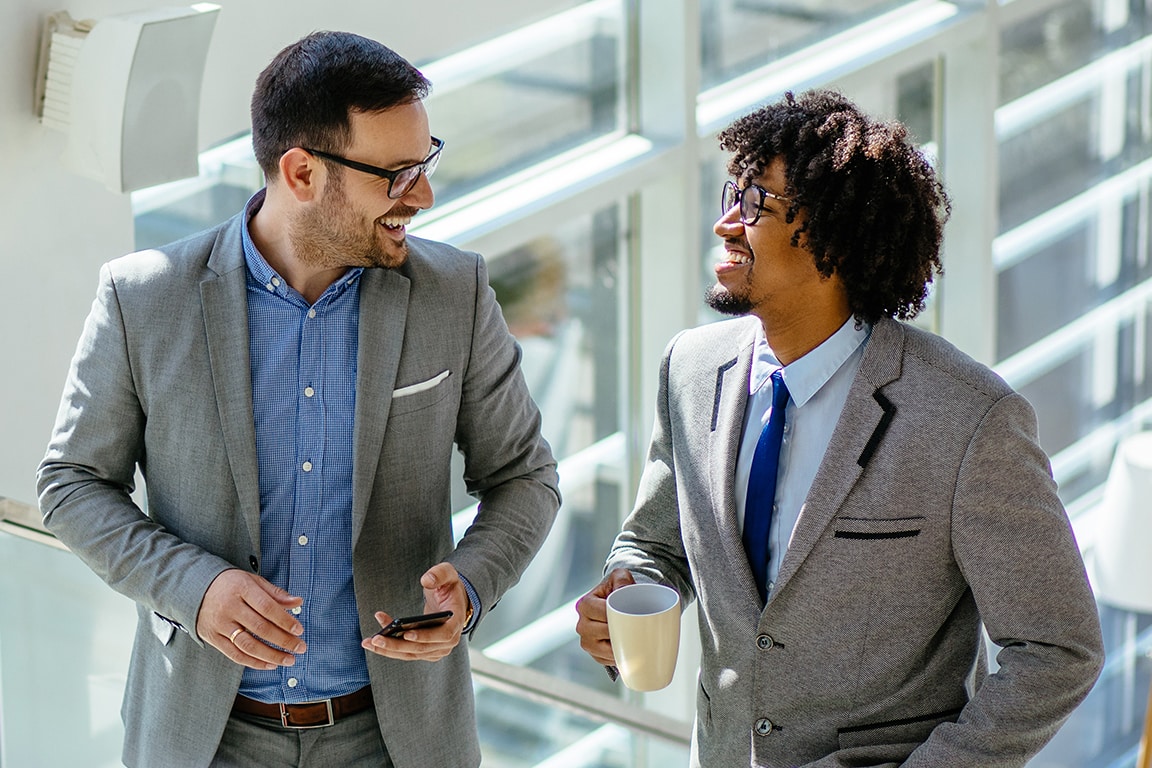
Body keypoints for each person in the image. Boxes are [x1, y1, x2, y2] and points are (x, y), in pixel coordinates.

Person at [37, 31, 560, 768]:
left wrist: (470, 585)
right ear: (303, 172)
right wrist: (195, 588)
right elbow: (70, 484)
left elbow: (524, 478)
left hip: (397, 738)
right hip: (205, 737)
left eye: (426, 162)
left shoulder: (457, 295)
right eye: (398, 173)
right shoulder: (144, 299)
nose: (424, 195)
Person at [575, 89, 1104, 767]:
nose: (725, 223)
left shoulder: (970, 422)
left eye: (755, 203)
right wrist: (627, 582)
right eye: (730, 194)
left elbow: (1058, 650)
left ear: (833, 238)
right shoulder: (690, 369)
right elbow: (657, 542)